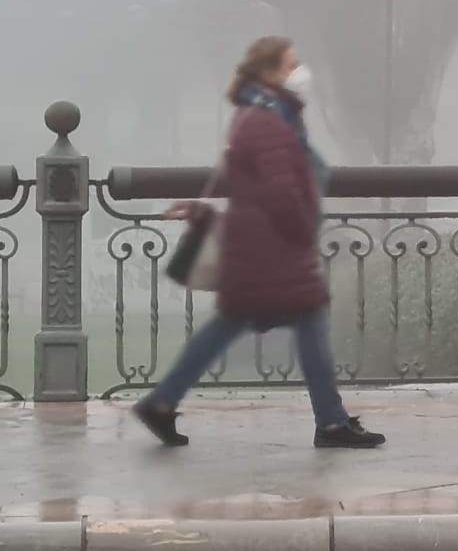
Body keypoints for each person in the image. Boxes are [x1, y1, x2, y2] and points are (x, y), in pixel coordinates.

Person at [132, 35, 385, 449]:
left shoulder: (263, 114)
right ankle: (331, 423)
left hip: (260, 242)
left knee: (242, 324)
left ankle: (162, 403)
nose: (300, 72)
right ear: (270, 71)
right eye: (292, 64)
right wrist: (303, 229)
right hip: (273, 244)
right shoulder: (266, 119)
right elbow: (280, 188)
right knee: (302, 320)